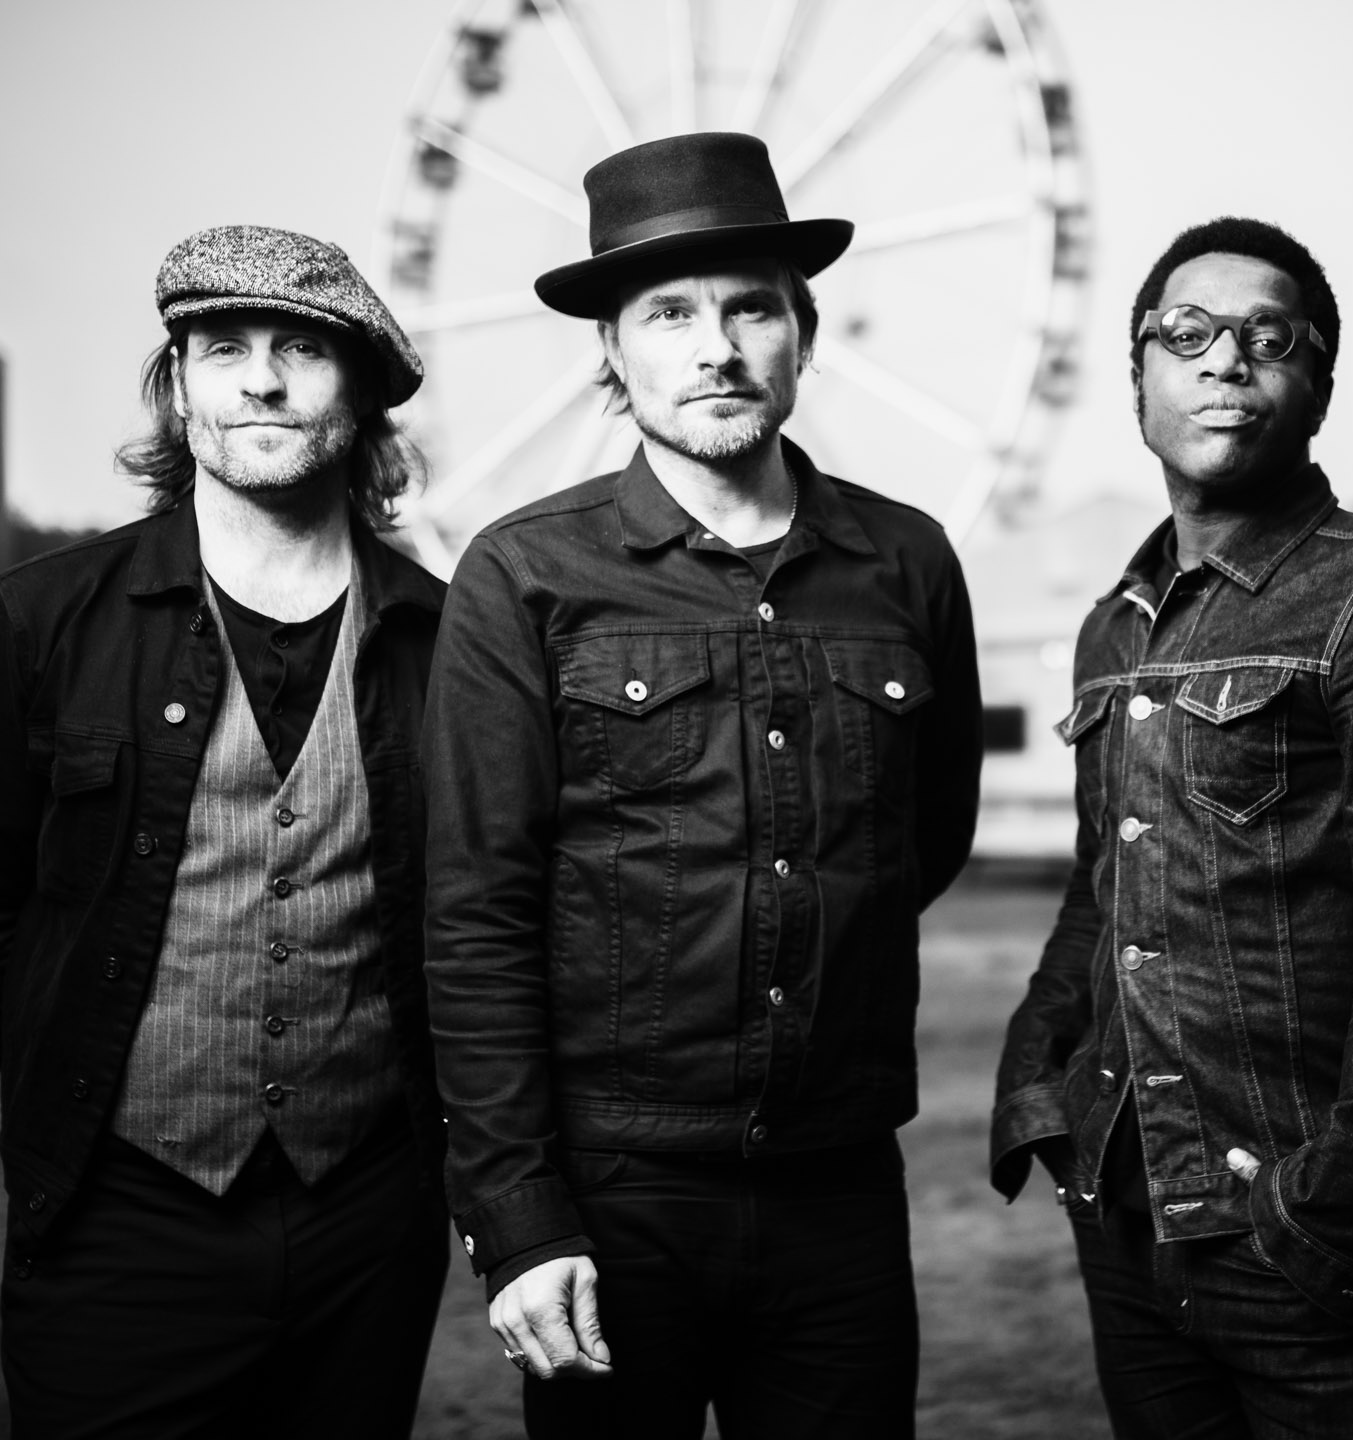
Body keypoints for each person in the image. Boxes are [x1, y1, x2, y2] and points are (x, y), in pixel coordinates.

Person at [423, 131, 983, 1439]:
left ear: (804, 334)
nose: (716, 347)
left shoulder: (908, 564)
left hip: (840, 1185)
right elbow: (474, 917)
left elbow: (923, 840)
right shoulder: (523, 577)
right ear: (611, 355)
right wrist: (518, 1215)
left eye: (750, 310)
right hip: (615, 1194)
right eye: (669, 314)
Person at [0, 225, 451, 1436]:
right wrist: (91, 1069)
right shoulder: (37, 621)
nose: (261, 380)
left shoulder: (449, 638)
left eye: (301, 350)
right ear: (179, 387)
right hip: (118, 1210)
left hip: (368, 1209)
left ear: (363, 391)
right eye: (223, 349)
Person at [990, 216, 1353, 1439]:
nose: (1224, 359)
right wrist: (1036, 1089)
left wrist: (1332, 1194)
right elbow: (1097, 893)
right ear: (1136, 378)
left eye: (1268, 339)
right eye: (1185, 334)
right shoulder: (1113, 626)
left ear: (1317, 385)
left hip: (1299, 1234)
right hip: (1125, 1212)